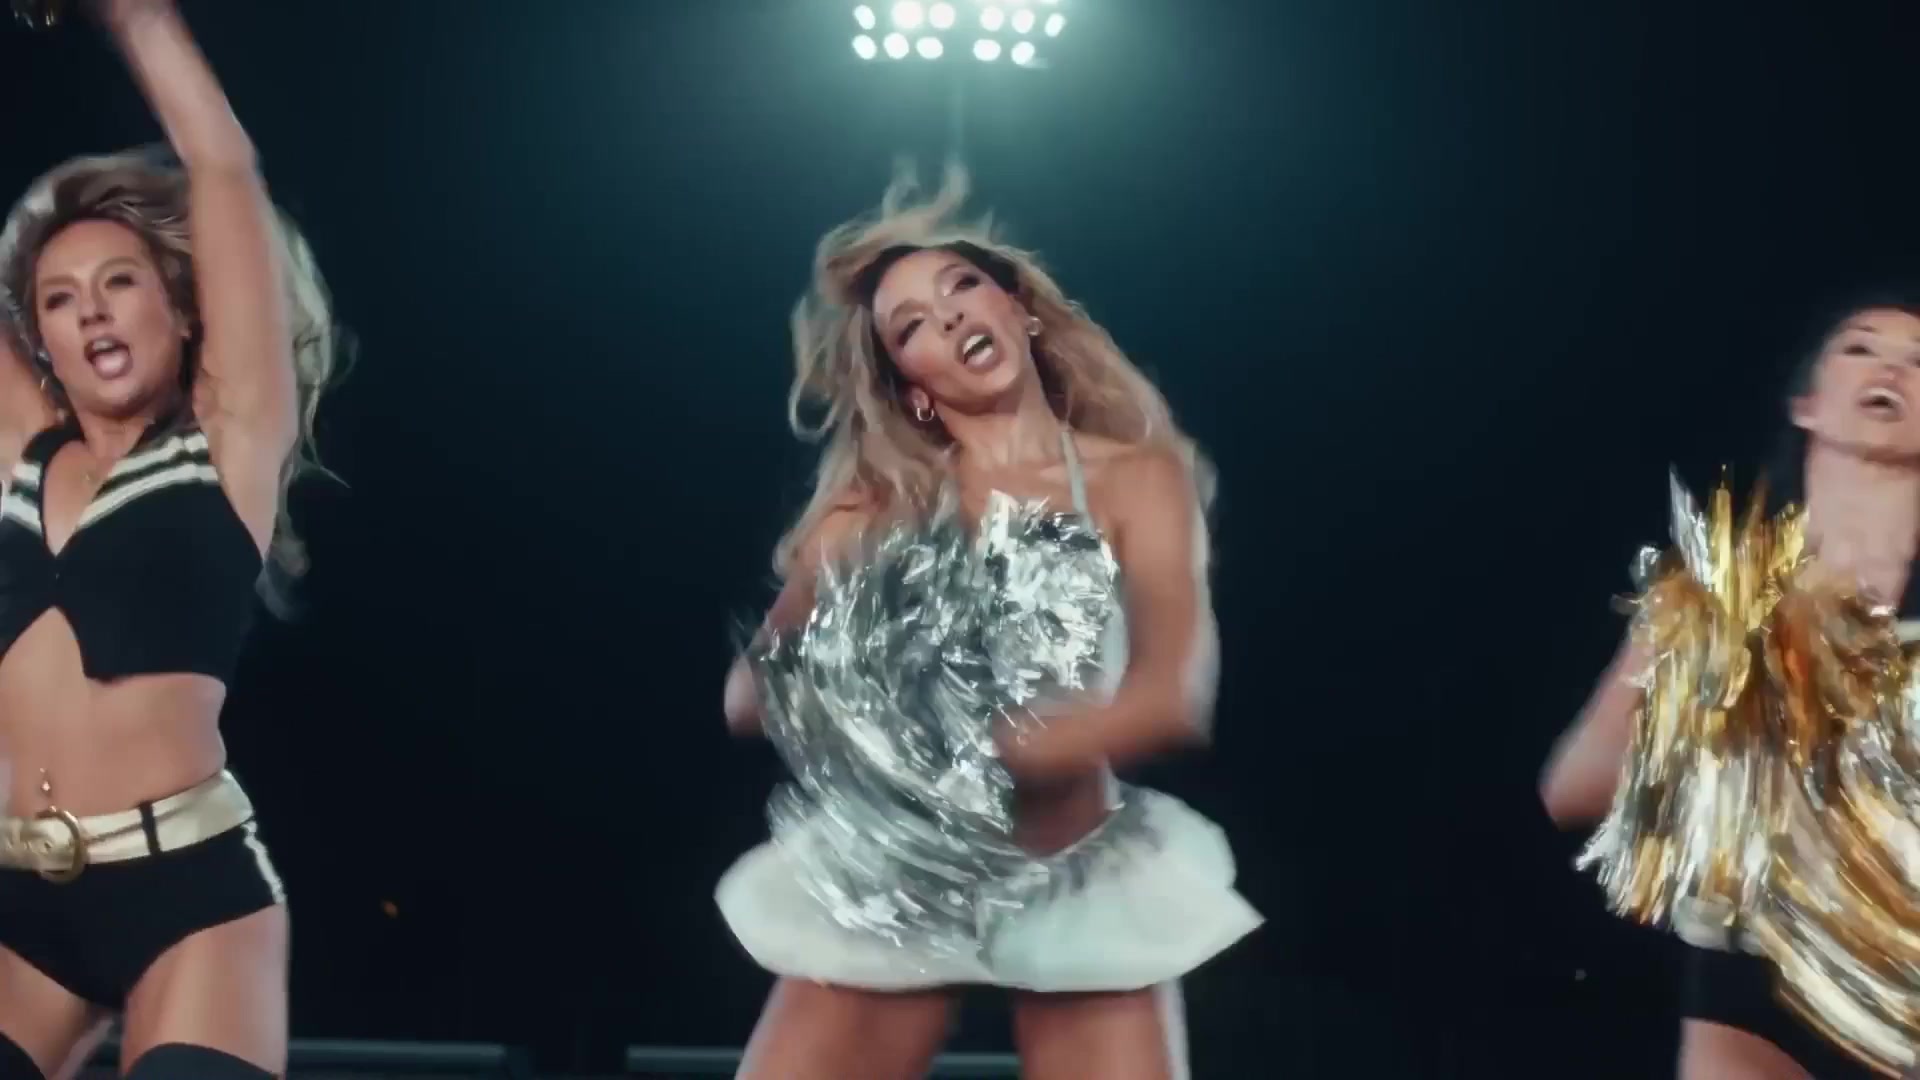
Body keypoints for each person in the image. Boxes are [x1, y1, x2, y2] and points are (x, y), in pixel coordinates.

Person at [715, 166, 1262, 1080]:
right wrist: (862, 718)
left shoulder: (1139, 476)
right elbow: (752, 687)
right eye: (911, 327)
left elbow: (1174, 697)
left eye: (962, 287)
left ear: (1019, 309)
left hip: (1078, 873)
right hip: (894, 880)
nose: (949, 319)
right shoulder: (873, 511)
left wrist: (982, 742)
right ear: (914, 389)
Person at [0, 1, 341, 1077]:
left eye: (120, 283)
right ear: (41, 339)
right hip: (20, 904)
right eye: (60, 299)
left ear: (183, 310)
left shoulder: (229, 443)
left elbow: (222, 167)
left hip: (191, 897)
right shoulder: (20, 455)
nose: (93, 313)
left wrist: (131, 13)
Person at [1540, 294, 1920, 1080]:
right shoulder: (1713, 594)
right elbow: (1577, 785)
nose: (1892, 368)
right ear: (1807, 405)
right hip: (1750, 1000)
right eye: (1860, 348)